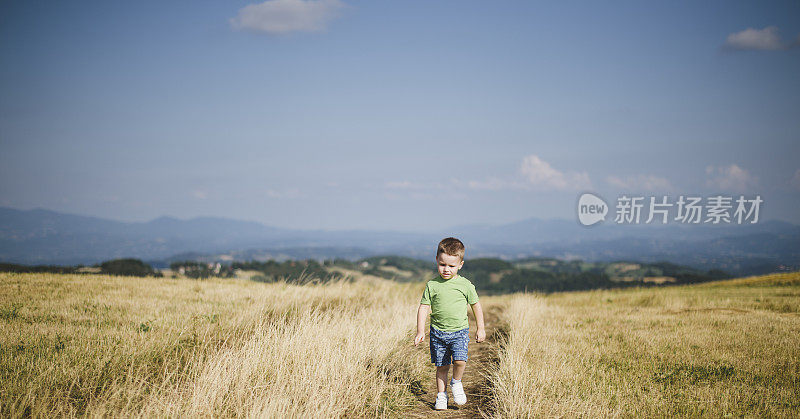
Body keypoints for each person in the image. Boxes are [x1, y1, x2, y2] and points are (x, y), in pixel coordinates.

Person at [413, 237, 485, 410]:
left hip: (460, 331)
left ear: (460, 264)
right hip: (438, 332)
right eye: (442, 264)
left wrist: (481, 328)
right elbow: (424, 307)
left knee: (460, 361)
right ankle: (441, 395)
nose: (446, 269)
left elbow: (476, 305)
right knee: (442, 366)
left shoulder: (465, 285)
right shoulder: (432, 285)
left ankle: (457, 382)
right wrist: (420, 330)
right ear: (437, 260)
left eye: (451, 266)